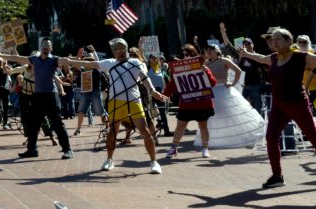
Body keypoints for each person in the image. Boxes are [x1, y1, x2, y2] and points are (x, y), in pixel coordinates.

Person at [234, 27, 316, 189]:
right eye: (272, 39)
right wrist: (246, 54)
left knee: (315, 139)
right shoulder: (275, 57)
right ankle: (277, 176)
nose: (274, 42)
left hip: (297, 103)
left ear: (288, 41)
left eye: (277, 39)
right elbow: (261, 58)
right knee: (271, 138)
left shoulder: (300, 56)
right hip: (279, 105)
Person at [67, 39, 165, 174]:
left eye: (123, 47)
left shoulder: (136, 62)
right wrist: (69, 61)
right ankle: (109, 160)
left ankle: (154, 162)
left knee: (145, 131)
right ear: (113, 51)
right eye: (117, 48)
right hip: (115, 102)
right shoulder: (109, 63)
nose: (121, 51)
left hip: (134, 101)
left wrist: (153, 91)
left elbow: (143, 77)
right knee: (112, 132)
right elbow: (87, 63)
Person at [197, 25, 265, 149]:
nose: (209, 51)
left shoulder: (224, 61)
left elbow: (238, 71)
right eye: (208, 50)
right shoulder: (205, 63)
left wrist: (232, 83)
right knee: (214, 116)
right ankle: (212, 139)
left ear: (217, 51)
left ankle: (243, 136)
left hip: (224, 90)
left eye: (212, 49)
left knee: (234, 114)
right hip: (211, 91)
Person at [5, 38, 73, 159]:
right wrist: (1, 54)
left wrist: (70, 60)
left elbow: (64, 61)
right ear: (40, 47)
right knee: (33, 123)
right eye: (44, 45)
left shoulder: (53, 59)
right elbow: (18, 58)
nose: (46, 46)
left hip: (51, 95)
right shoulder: (34, 60)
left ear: (51, 48)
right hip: (38, 96)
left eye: (48, 45)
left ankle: (67, 149)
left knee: (57, 123)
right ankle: (32, 150)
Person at [163, 44, 217, 159]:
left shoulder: (203, 66)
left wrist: (205, 72)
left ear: (193, 54)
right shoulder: (179, 68)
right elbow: (173, 84)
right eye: (183, 54)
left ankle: (205, 148)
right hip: (186, 103)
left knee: (203, 125)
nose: (185, 57)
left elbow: (213, 83)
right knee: (180, 126)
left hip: (202, 102)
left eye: (188, 54)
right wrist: (164, 95)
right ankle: (174, 148)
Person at [147, 53, 171, 135]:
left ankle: (166, 131)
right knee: (151, 112)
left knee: (163, 113)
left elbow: (168, 81)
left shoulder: (161, 70)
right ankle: (152, 131)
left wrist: (168, 93)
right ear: (149, 60)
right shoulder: (146, 69)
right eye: (152, 58)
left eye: (155, 58)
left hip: (160, 93)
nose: (154, 59)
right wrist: (140, 45)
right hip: (150, 93)